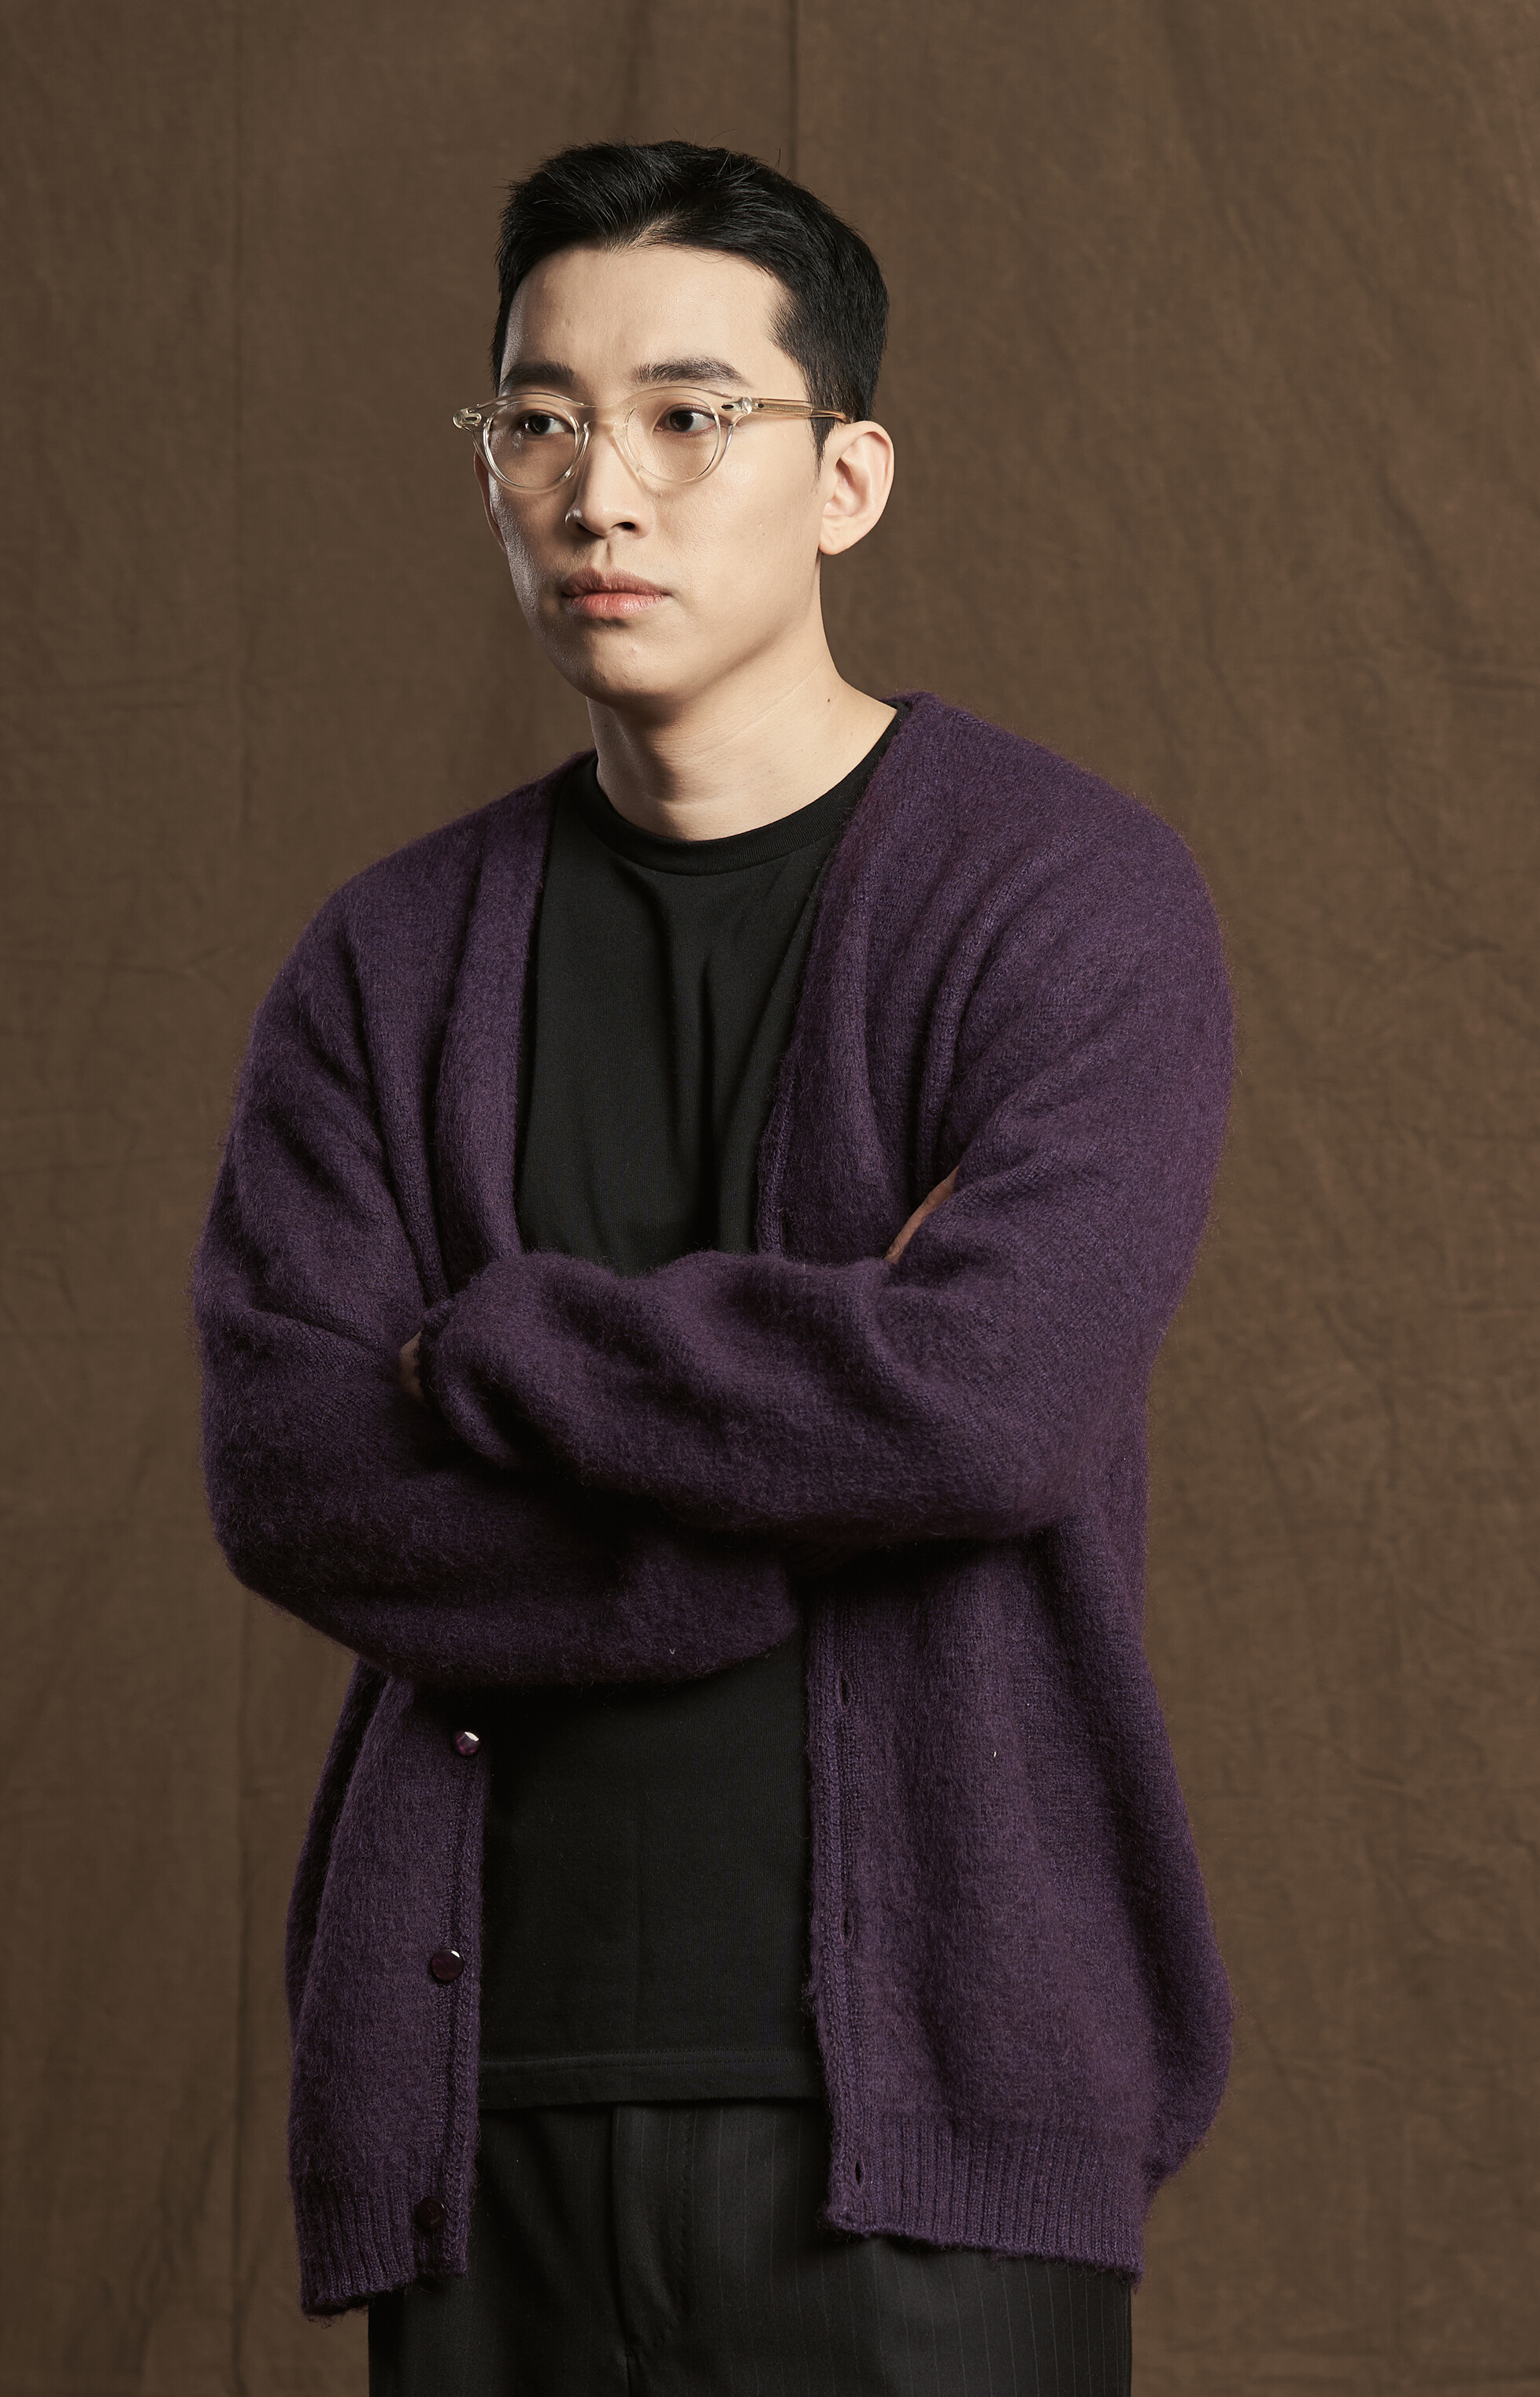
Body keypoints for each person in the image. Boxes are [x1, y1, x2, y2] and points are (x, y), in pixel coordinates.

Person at [193, 138, 1235, 2395]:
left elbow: (990, 1407)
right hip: (482, 2120)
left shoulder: (1063, 899)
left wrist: (484, 1347)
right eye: (538, 419)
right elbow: (289, 1468)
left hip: (934, 2138)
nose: (601, 492)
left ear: (847, 475)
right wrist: (814, 1454)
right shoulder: (385, 963)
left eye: (690, 415)